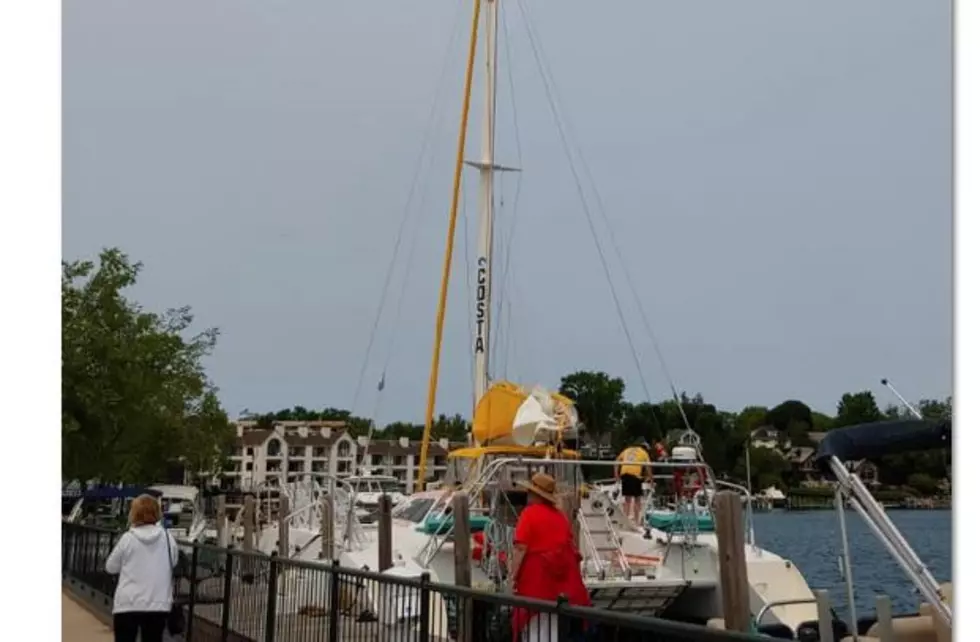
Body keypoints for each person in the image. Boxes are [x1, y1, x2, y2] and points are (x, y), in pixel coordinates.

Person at [509, 472, 591, 642]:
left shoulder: (529, 514)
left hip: (535, 581)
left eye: (531, 492)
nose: (528, 495)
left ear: (536, 495)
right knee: (551, 628)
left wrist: (512, 577)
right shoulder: (560, 517)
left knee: (532, 628)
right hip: (559, 584)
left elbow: (520, 548)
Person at [105, 494, 179, 642]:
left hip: (128, 603)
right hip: (158, 603)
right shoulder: (167, 537)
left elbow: (110, 567)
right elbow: (174, 561)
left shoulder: (128, 538)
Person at [615, 438, 652, 525]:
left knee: (627, 500)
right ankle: (636, 521)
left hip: (624, 474)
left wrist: (616, 475)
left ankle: (625, 521)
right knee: (637, 499)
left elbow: (616, 462)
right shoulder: (644, 453)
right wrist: (651, 479)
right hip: (635, 475)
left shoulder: (627, 450)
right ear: (645, 448)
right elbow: (648, 467)